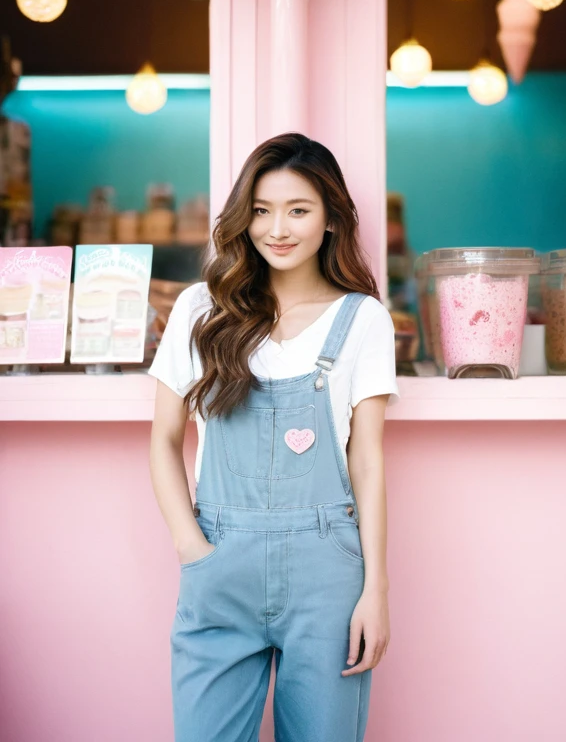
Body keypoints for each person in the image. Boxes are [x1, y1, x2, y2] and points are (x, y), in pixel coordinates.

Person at [148, 132, 398, 742]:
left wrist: (376, 588)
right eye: (261, 210)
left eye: (298, 210)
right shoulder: (201, 310)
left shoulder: (362, 318)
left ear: (332, 220)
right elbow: (163, 439)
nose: (277, 228)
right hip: (219, 563)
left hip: (328, 573)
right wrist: (192, 549)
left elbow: (365, 462)